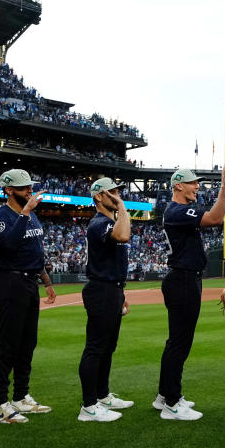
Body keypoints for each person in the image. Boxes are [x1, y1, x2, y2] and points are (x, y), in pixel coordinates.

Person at [153, 166, 225, 421]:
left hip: (185, 279)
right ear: (178, 186)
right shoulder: (177, 210)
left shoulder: (178, 210)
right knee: (179, 343)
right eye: (192, 183)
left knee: (177, 342)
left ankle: (165, 396)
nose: (197, 187)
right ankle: (172, 404)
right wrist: (224, 188)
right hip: (183, 280)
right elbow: (215, 219)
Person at [0, 169, 57, 424]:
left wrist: (47, 282)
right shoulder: (0, 216)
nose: (29, 190)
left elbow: (35, 252)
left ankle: (20, 396)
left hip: (29, 282)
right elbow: (7, 246)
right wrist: (25, 213)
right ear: (8, 190)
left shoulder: (32, 215)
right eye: (23, 187)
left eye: (29, 186)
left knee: (28, 343)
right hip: (10, 282)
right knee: (8, 344)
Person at [78, 177, 133, 422]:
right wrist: (121, 206)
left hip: (112, 289)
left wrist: (121, 293)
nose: (117, 195)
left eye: (118, 192)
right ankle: (88, 406)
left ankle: (102, 395)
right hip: (100, 290)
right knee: (96, 348)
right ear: (99, 196)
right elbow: (123, 236)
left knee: (108, 347)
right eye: (112, 192)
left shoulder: (109, 221)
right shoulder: (99, 223)